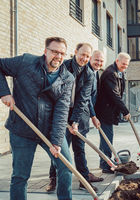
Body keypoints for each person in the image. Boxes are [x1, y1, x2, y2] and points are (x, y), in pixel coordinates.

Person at [0, 37, 74, 200]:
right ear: (45, 51)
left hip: (49, 129)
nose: (58, 56)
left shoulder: (67, 78)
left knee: (66, 167)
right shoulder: (26, 62)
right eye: (54, 51)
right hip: (22, 128)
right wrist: (4, 92)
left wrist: (55, 141)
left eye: (62, 53)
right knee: (20, 175)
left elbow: (62, 111)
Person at [47, 43, 100, 192]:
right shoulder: (63, 66)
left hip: (78, 115)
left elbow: (83, 99)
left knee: (80, 148)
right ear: (75, 52)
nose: (84, 58)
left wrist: (75, 121)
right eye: (82, 54)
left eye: (87, 56)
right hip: (61, 113)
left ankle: (84, 181)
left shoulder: (89, 74)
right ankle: (53, 180)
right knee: (59, 148)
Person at [94, 52, 131, 174]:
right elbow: (114, 94)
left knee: (105, 138)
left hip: (109, 111)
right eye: (123, 64)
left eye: (127, 64)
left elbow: (120, 93)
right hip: (105, 111)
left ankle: (104, 161)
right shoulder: (110, 73)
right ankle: (106, 165)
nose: (125, 66)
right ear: (117, 61)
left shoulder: (119, 73)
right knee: (107, 139)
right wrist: (125, 111)